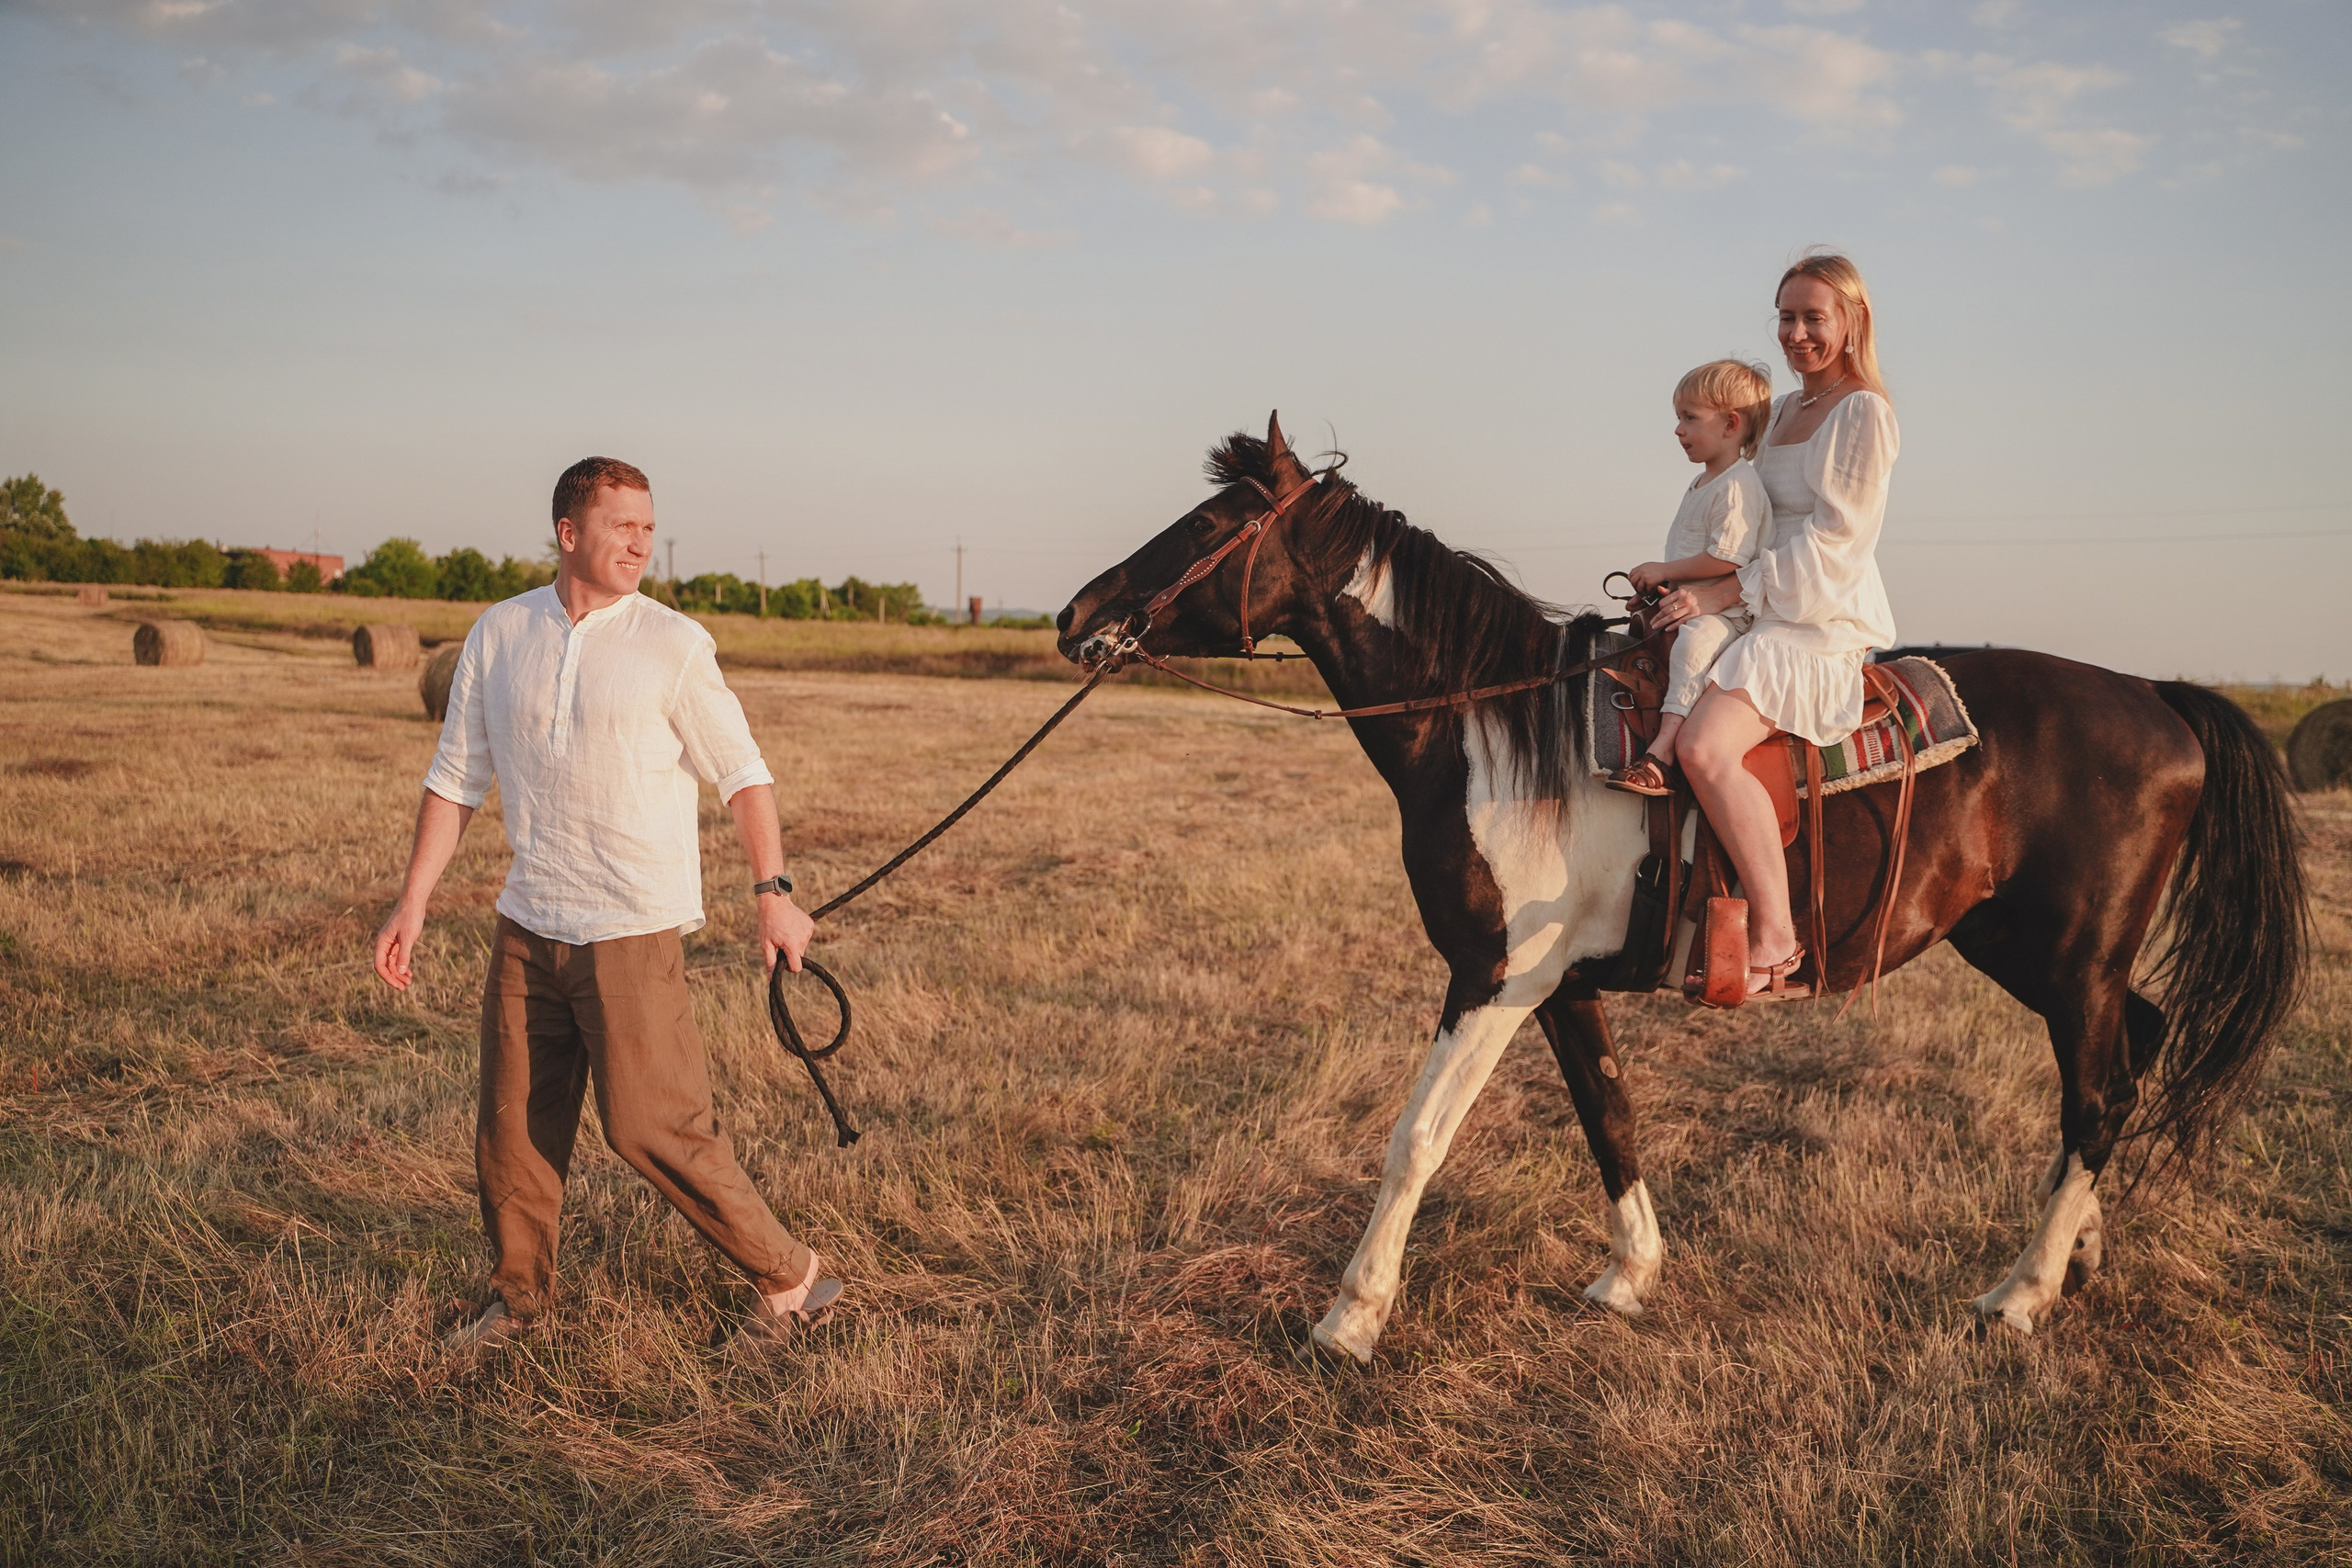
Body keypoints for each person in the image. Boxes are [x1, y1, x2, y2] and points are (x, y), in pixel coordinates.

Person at [371, 456, 842, 1347]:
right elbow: (455, 779)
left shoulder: (673, 643)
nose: (641, 542)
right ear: (567, 533)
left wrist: (773, 893)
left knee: (651, 1127)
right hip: (527, 924)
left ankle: (792, 1278)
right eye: (623, 525)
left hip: (630, 925)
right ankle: (520, 1302)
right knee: (511, 1133)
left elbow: (745, 778)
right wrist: (412, 905)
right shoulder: (499, 633)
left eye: (648, 527)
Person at [1646, 253, 1900, 998]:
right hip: (1757, 599)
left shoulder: (1864, 412)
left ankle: (1777, 934)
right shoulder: (1785, 410)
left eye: (1813, 318)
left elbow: (1834, 544)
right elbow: (1746, 507)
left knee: (1706, 745)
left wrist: (1726, 593)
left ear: (1851, 323)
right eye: (1786, 317)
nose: (1796, 333)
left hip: (1817, 617)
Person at [1608, 358, 1776, 795]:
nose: (1678, 430)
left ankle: (1663, 750)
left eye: (1689, 418)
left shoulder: (1737, 485)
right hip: (1693, 601)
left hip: (1731, 613)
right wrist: (1659, 590)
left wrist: (1666, 570)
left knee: (1694, 645)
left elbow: (1727, 557)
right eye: (1678, 418)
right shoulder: (1706, 481)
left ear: (1730, 424)